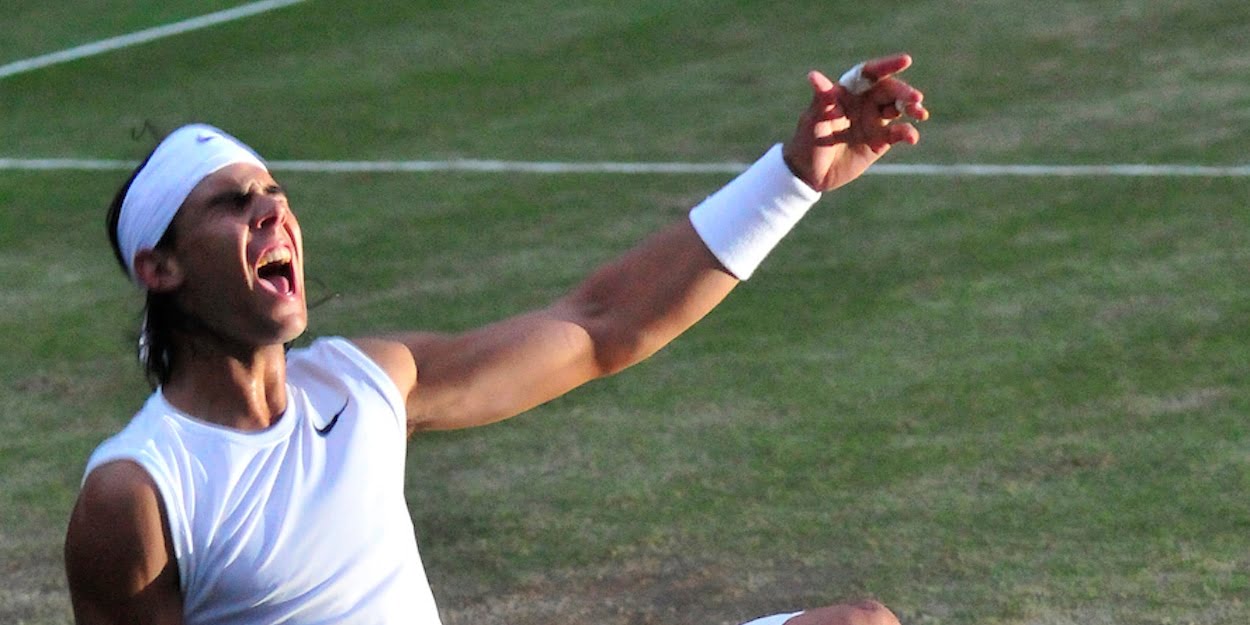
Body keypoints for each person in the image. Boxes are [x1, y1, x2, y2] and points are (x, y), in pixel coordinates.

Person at [64, 53, 929, 625]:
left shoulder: (364, 385)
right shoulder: (140, 493)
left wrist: (793, 180)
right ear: (161, 267)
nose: (272, 209)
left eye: (273, 191)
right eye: (231, 203)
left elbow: (599, 326)